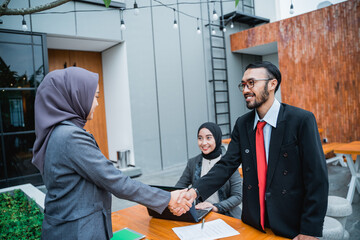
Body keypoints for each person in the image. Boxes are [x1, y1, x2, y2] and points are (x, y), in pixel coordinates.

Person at [32, 67, 191, 239]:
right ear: (75, 96)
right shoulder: (70, 136)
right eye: (95, 96)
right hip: (78, 232)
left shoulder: (55, 134)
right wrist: (168, 198)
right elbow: (115, 180)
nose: (97, 103)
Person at [181, 61, 328, 239]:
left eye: (251, 83)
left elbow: (317, 178)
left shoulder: (301, 120)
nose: (245, 90)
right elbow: (226, 165)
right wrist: (195, 191)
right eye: (243, 84)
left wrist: (310, 230)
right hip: (253, 222)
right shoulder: (242, 124)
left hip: (290, 224)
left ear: (272, 84)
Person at [175, 122, 242, 218]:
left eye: (208, 137)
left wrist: (215, 207)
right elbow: (179, 188)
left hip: (227, 215)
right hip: (201, 214)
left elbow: (237, 196)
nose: (203, 143)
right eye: (200, 138)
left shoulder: (229, 164)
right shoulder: (193, 163)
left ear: (217, 138)